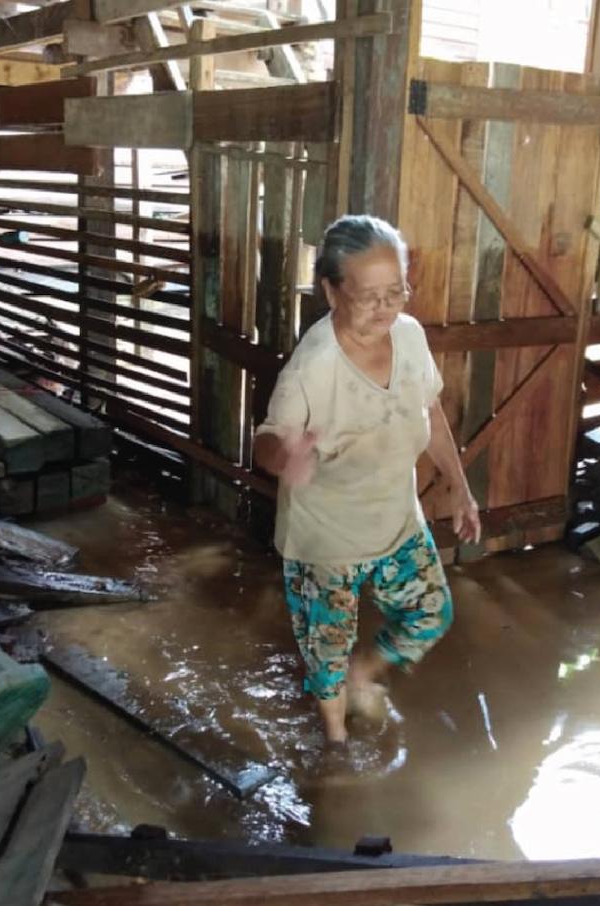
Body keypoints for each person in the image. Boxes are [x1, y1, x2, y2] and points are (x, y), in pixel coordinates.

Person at [253, 214, 482, 747]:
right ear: (331, 291)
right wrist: (284, 458)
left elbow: (429, 411)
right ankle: (334, 739)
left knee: (430, 612)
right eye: (368, 295)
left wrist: (460, 487)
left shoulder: (410, 335)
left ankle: (366, 671)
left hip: (396, 519)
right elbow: (268, 439)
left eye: (395, 291)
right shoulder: (313, 365)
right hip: (325, 541)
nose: (385, 307)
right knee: (325, 652)